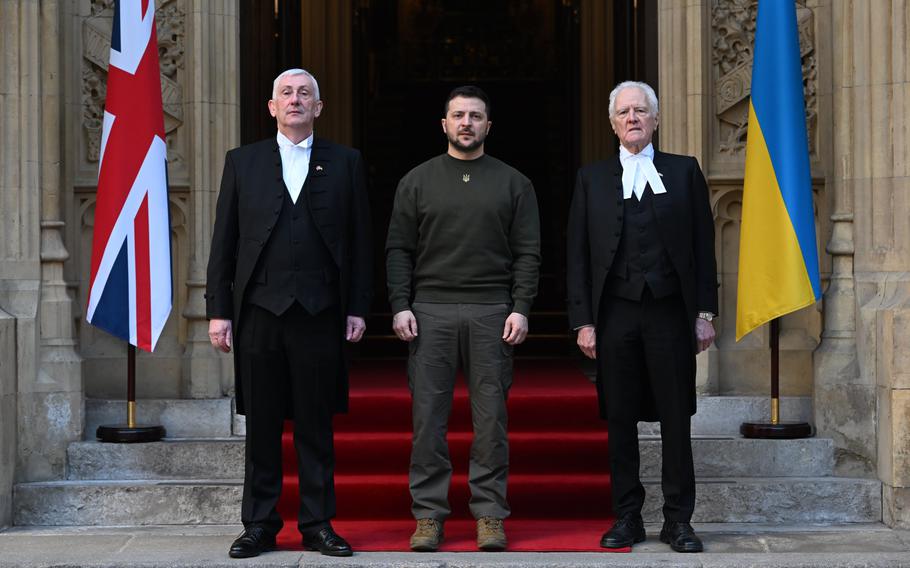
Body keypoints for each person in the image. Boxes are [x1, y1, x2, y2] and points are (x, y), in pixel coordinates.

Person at [206, 68, 372, 559]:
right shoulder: (243, 162)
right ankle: (258, 524)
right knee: (261, 424)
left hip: (321, 313)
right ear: (271, 107)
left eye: (305, 94)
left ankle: (318, 524)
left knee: (316, 425)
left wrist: (358, 307)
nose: (295, 100)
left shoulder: (346, 163)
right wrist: (219, 312)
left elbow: (361, 242)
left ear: (318, 107)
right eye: (286, 93)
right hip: (258, 313)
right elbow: (224, 245)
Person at [386, 85, 541, 552]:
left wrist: (521, 307)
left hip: (493, 310)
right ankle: (429, 516)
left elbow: (528, 252)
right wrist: (400, 304)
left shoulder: (515, 183)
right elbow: (399, 249)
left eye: (475, 116)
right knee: (427, 419)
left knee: (490, 420)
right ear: (444, 124)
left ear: (488, 125)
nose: (467, 123)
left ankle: (490, 514)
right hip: (429, 309)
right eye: (458, 115)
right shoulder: (416, 180)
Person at [566, 81, 718, 553]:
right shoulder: (591, 178)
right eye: (624, 112)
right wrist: (583, 321)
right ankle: (627, 516)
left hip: (671, 313)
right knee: (620, 418)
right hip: (614, 316)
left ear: (655, 119)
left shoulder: (684, 171)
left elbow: (702, 248)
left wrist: (704, 313)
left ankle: (678, 520)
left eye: (641, 111)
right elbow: (577, 256)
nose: (633, 118)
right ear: (611, 122)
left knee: (676, 418)